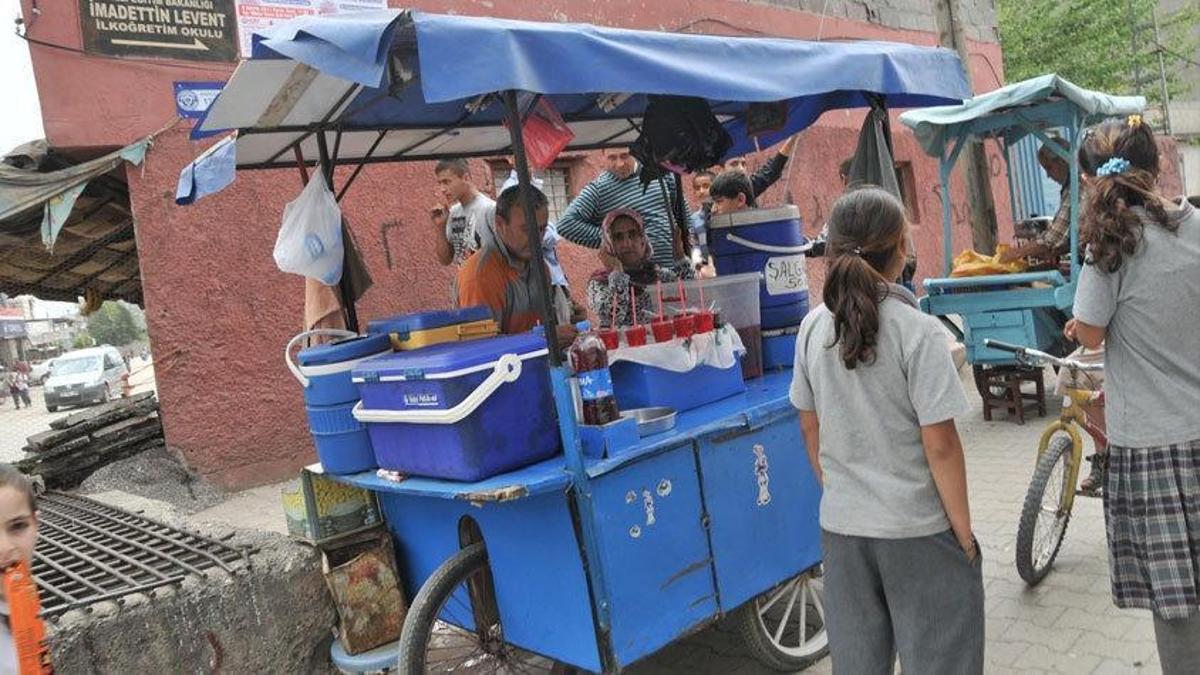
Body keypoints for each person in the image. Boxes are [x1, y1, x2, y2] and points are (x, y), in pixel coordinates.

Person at [791, 187, 983, 674]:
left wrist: (843, 494)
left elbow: (809, 429)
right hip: (917, 530)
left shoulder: (812, 327)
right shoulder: (917, 331)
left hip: (843, 529)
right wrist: (963, 537)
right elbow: (940, 446)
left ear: (832, 250)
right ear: (900, 250)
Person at [1065, 116, 1200, 673]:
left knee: (1177, 607)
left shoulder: (1111, 247)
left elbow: (1091, 332)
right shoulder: (1194, 225)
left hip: (1153, 446)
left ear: (1097, 182)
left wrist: (1086, 325)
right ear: (1157, 166)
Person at [459, 185, 578, 348]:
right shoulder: (480, 276)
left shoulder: (540, 267)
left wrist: (568, 319)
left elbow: (543, 325)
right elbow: (481, 348)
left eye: (542, 229)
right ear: (500, 224)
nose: (536, 238)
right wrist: (544, 339)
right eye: (527, 230)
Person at [557, 147, 692, 270]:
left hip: (675, 268)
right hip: (634, 278)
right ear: (603, 156)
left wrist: (691, 246)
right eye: (612, 158)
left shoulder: (659, 173)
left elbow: (682, 212)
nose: (619, 164)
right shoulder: (598, 189)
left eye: (624, 156)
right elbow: (565, 224)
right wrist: (612, 240)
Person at [586, 209, 687, 328]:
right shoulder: (599, 283)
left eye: (633, 234)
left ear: (643, 240)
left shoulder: (660, 276)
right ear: (608, 244)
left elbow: (694, 300)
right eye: (618, 237)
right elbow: (611, 319)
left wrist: (681, 259)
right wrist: (617, 272)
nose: (627, 243)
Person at [1000, 136, 1075, 263]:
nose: (1048, 175)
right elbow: (1069, 239)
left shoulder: (1075, 187)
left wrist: (1017, 253)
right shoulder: (1069, 186)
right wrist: (1054, 251)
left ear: (1062, 160)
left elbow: (1051, 238)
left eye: (1049, 168)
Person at [431, 159, 496, 301]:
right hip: (465, 291)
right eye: (440, 183)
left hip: (491, 291)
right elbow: (445, 259)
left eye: (447, 182)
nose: (442, 189)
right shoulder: (453, 213)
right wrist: (440, 227)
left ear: (465, 178)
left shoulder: (489, 209)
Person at [723, 134, 799, 199]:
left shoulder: (747, 189)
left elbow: (773, 169)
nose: (741, 169)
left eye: (743, 164)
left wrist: (793, 137)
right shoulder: (714, 198)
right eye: (734, 164)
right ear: (721, 170)